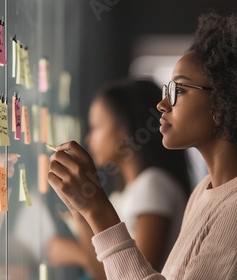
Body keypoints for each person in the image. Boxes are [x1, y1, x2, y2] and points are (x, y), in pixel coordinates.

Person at [47, 8, 237, 279]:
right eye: (166, 89)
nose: (162, 104)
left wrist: (97, 208)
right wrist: (84, 205)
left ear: (224, 104)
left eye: (179, 89)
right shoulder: (205, 192)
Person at [47, 79, 191, 279]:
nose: (89, 139)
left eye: (96, 127)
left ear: (124, 128)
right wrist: (77, 207)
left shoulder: (153, 184)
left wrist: (77, 252)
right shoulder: (129, 192)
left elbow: (136, 273)